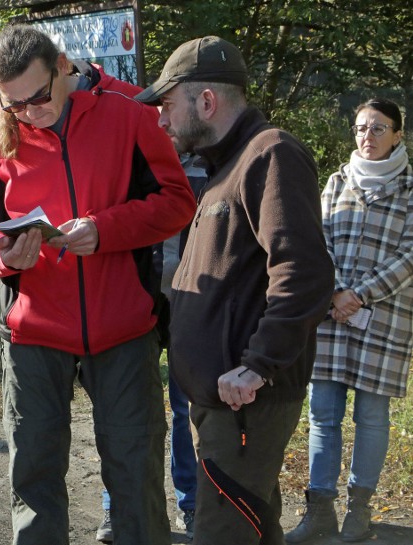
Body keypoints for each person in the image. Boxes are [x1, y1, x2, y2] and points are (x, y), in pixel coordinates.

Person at [0, 24, 197, 545]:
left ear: (64, 66)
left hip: (123, 325)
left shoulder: (129, 110)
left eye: (39, 96)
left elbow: (179, 202)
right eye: (14, 104)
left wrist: (106, 230)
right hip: (32, 330)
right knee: (34, 472)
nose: (29, 112)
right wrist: (2, 256)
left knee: (135, 469)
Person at [135, 36, 335, 545]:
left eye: (168, 105)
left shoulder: (271, 154)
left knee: (221, 534)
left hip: (245, 402)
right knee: (254, 530)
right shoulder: (228, 164)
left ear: (207, 101)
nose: (161, 120)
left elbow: (304, 271)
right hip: (225, 402)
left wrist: (259, 364)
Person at [285, 98, 412, 544]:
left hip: (384, 318)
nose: (368, 137)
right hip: (332, 315)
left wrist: (359, 295)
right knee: (322, 415)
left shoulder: (411, 189)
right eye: (361, 128)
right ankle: (319, 510)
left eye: (379, 129)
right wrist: (336, 292)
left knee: (372, 416)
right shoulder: (337, 181)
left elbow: (410, 257)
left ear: (398, 134)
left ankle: (360, 511)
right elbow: (317, 242)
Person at [97, 153, 206, 544]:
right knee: (124, 410)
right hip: (134, 298)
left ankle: (191, 505)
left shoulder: (209, 164)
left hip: (190, 303)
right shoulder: (129, 160)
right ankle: (117, 508)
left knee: (185, 409)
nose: (163, 121)